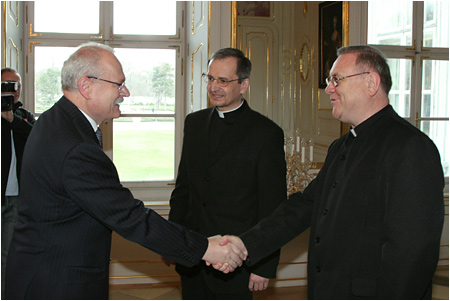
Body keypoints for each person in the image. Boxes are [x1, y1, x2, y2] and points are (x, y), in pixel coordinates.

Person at [4, 43, 247, 300]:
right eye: (118, 85)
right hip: (56, 283)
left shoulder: (56, 122)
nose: (126, 92)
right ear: (86, 86)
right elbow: (129, 216)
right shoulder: (74, 145)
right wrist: (205, 248)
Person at [221, 45, 445, 299]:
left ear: (371, 83)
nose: (328, 88)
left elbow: (412, 254)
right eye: (330, 81)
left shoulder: (411, 148)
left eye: (336, 79)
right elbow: (305, 206)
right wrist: (245, 243)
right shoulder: (342, 145)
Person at [163, 48, 287, 299]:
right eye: (210, 78)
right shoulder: (194, 123)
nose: (214, 87)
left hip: (236, 260)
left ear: (244, 85)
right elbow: (183, 188)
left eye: (223, 80)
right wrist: (172, 241)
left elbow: (272, 207)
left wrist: (264, 265)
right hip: (193, 255)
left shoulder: (266, 133)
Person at [1, 68, 35, 298]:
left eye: (16, 85)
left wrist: (13, 120)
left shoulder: (24, 116)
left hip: (17, 199)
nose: (11, 90)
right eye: (6, 84)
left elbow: (37, 140)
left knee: (8, 254)